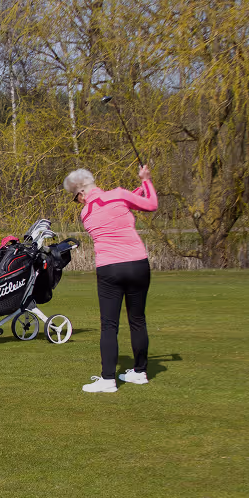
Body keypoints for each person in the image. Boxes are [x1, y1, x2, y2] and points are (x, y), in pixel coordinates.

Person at [62, 164, 158, 393]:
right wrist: (146, 180)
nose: (79, 203)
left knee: (109, 325)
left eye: (76, 198)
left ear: (82, 192)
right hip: (138, 264)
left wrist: (133, 193)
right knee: (138, 320)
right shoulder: (120, 195)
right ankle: (140, 372)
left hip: (110, 269)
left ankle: (108, 379)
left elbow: (107, 208)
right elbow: (150, 204)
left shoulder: (86, 214)